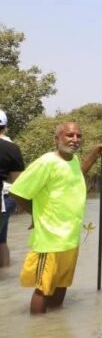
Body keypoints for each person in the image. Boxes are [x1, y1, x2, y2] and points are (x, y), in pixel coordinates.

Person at [10, 122, 102, 313]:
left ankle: (54, 326)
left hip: (70, 237)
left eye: (78, 136)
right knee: (43, 288)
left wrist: (95, 153)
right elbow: (18, 191)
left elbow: (78, 173)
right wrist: (35, 215)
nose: (75, 139)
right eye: (70, 135)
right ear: (57, 139)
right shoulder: (46, 163)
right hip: (50, 239)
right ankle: (38, 330)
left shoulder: (73, 160)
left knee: (62, 283)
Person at [1, 109, 24, 268]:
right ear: (6, 127)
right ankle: (4, 274)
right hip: (6, 198)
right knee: (2, 240)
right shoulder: (12, 148)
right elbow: (18, 182)